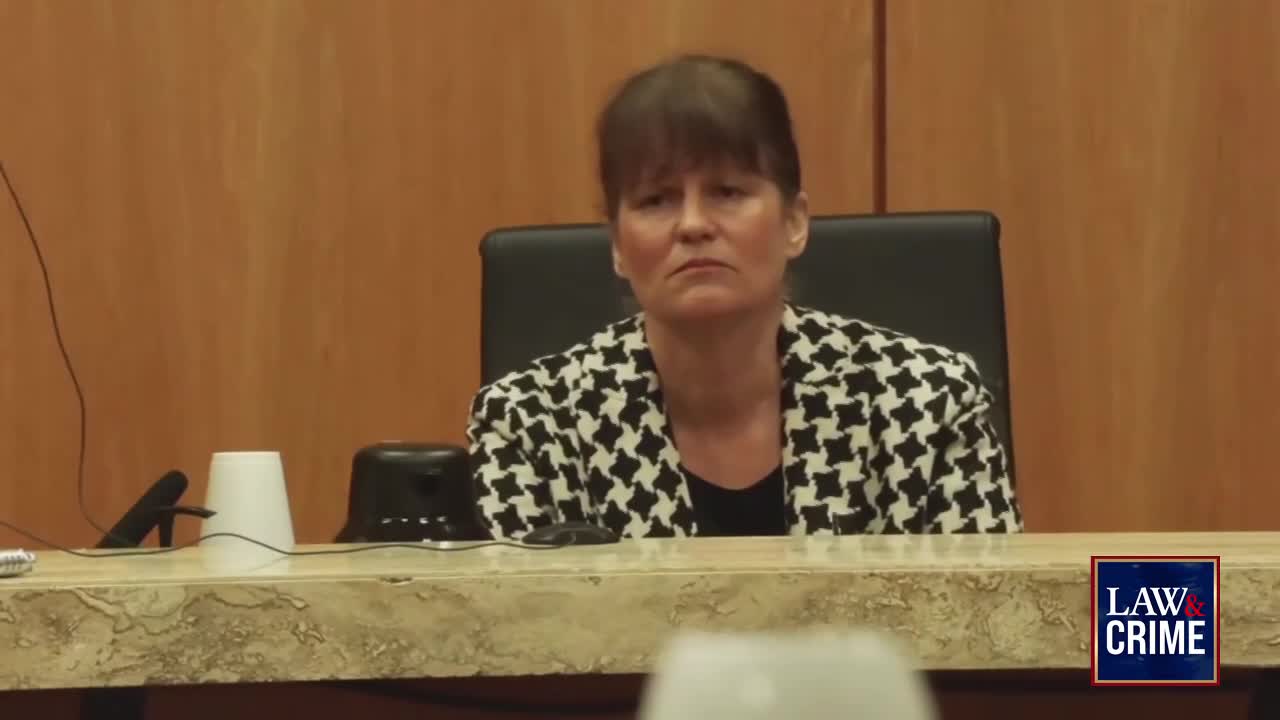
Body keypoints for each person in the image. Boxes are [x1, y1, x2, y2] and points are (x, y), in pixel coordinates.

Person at [466, 54, 1022, 540]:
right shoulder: (533, 424)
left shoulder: (925, 403)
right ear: (616, 244)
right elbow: (513, 649)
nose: (692, 225)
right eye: (656, 200)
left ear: (794, 223)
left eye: (727, 192)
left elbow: (999, 634)